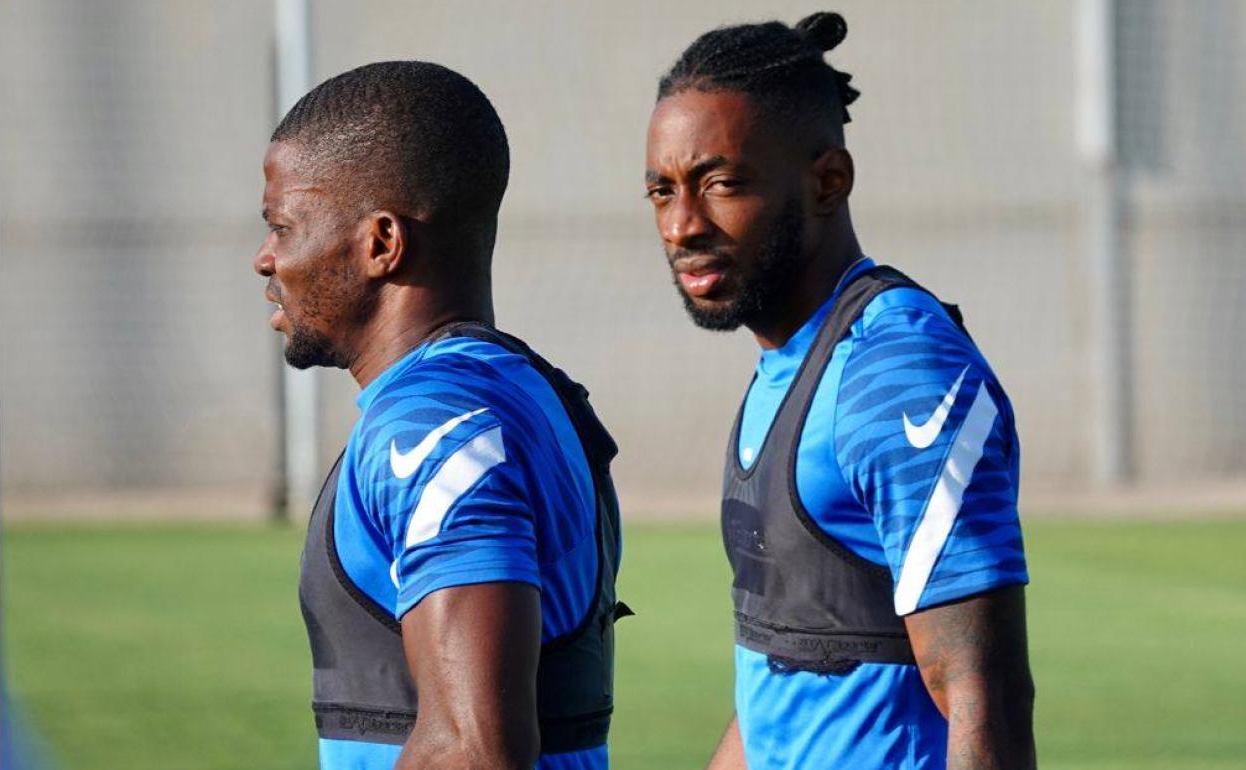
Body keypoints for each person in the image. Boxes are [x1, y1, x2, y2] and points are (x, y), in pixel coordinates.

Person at [644, 13, 1035, 770]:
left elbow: (979, 689)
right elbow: (780, 681)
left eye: (720, 183)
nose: (681, 225)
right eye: (662, 191)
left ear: (829, 181)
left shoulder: (898, 368)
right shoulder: (787, 365)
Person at [254, 61, 623, 770]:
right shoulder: (521, 388)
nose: (266, 259)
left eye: (283, 226)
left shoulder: (435, 424)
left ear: (381, 244)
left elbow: (474, 749)